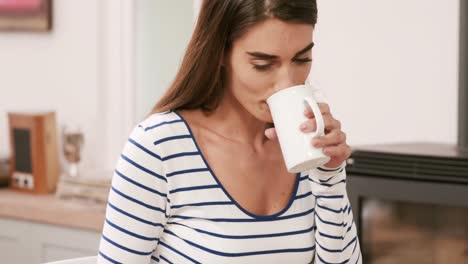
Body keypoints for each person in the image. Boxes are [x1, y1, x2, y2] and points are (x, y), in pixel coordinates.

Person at [98, 0, 362, 263]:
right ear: (220, 53)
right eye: (263, 64)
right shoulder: (158, 148)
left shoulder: (306, 147)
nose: (286, 84)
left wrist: (329, 177)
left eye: (302, 59)